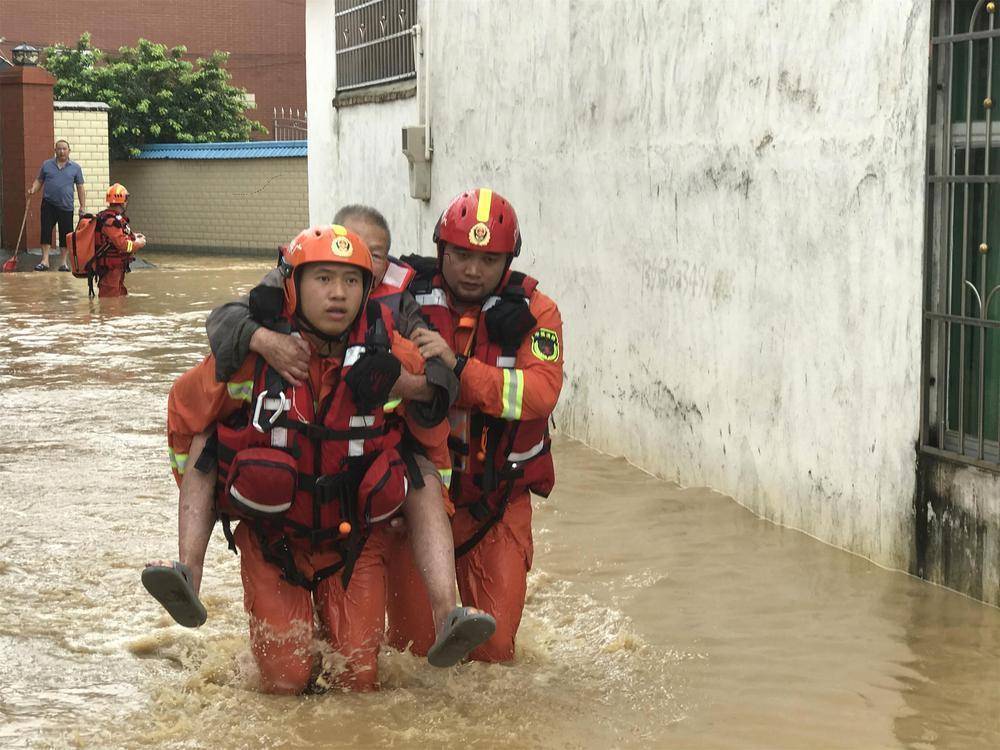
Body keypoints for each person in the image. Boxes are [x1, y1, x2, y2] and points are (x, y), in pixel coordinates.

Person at [151, 224, 492, 694]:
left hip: (353, 543)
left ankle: (446, 610)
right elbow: (186, 418)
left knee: (359, 681)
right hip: (273, 541)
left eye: (351, 281)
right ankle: (188, 570)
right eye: (323, 279)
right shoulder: (253, 352)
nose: (338, 294)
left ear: (368, 289)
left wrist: (407, 389)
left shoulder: (388, 353)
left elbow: (433, 432)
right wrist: (213, 504)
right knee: (284, 685)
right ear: (293, 285)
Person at [388, 188, 564, 663]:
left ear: (508, 260)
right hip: (418, 501)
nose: (472, 270)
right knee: (412, 656)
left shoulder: (537, 313)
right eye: (461, 255)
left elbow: (540, 394)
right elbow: (323, 284)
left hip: (496, 502)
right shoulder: (400, 294)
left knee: (495, 652)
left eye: (488, 259)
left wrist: (458, 370)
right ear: (440, 250)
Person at [27, 139, 86, 271]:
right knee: (46, 231)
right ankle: (45, 261)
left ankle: (63, 263)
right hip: (48, 204)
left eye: (64, 149)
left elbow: (80, 187)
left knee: (66, 235)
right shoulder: (47, 165)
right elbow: (39, 180)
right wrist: (33, 189)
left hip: (66, 206)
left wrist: (82, 205)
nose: (61, 151)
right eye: (59, 149)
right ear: (55, 150)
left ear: (69, 151)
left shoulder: (75, 168)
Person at [93, 183, 146, 297]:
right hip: (110, 270)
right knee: (111, 304)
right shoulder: (111, 221)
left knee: (120, 297)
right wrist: (138, 243)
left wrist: (134, 236)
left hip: (116, 268)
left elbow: (117, 237)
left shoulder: (111, 218)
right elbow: (123, 245)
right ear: (122, 201)